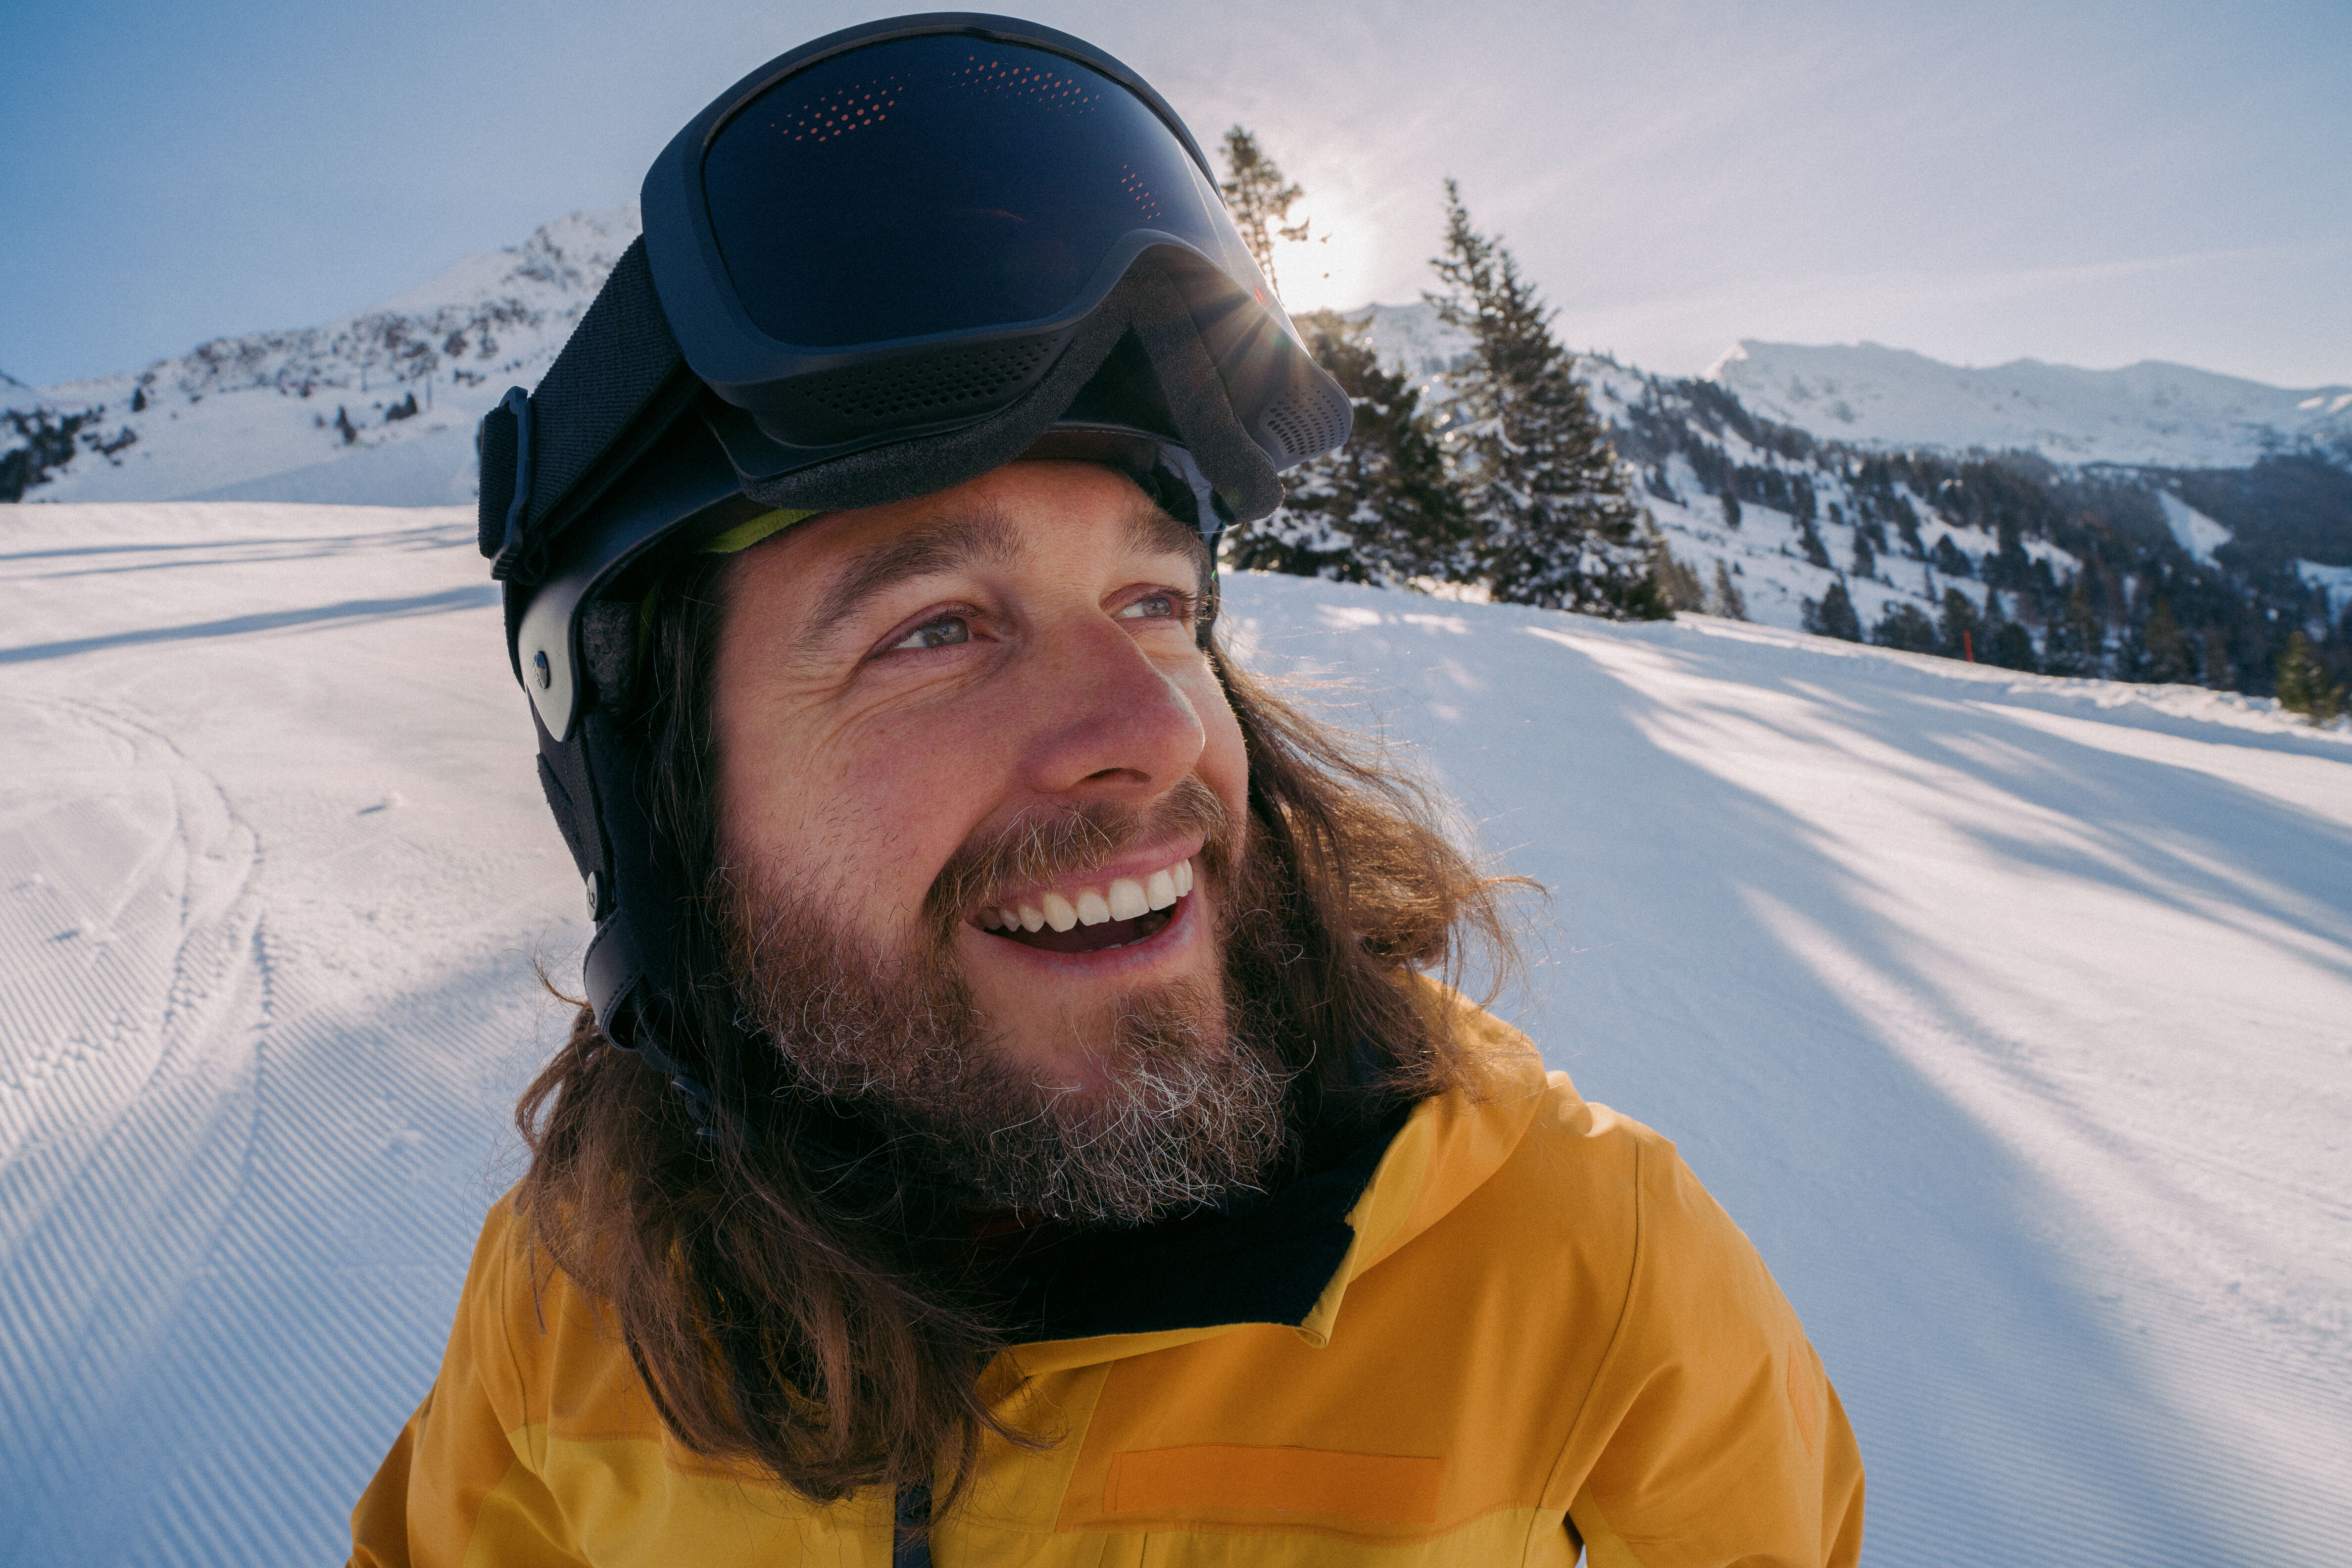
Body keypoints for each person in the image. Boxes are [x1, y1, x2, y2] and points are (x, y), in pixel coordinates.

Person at [351, 14, 1864, 1565]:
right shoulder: (585, 1292)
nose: (1152, 728)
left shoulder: (1581, 1271)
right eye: (934, 631)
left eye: (1158, 606)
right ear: (661, 797)